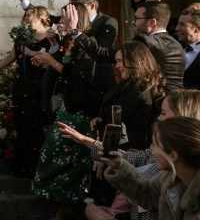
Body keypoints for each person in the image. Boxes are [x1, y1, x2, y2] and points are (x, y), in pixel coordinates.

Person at [59, 89, 200, 220]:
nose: (158, 118)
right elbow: (148, 193)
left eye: (163, 113)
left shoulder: (170, 161)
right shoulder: (169, 168)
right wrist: (116, 163)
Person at [31, 2, 100, 219]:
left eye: (64, 18)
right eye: (60, 18)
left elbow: (76, 77)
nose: (59, 22)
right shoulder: (67, 42)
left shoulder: (87, 44)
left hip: (81, 110)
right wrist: (52, 48)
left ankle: (67, 207)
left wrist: (51, 61)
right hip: (66, 106)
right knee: (50, 154)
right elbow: (64, 70)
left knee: (72, 159)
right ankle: (59, 205)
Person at [0, 5, 53, 178]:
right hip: (21, 84)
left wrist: (31, 52)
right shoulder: (23, 37)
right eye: (26, 15)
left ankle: (36, 168)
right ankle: (21, 166)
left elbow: (49, 58)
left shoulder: (51, 37)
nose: (26, 18)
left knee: (35, 125)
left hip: (40, 87)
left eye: (29, 15)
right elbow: (12, 56)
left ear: (39, 17)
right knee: (21, 124)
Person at [102, 116, 200, 220]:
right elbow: (149, 195)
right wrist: (120, 166)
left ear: (172, 155)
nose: (151, 148)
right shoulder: (168, 177)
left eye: (154, 144)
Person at [91, 41, 165, 151]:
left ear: (135, 60)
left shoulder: (138, 90)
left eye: (120, 61)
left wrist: (106, 153)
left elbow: (119, 122)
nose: (117, 66)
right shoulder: (132, 85)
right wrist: (101, 118)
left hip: (128, 152)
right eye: (116, 61)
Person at [132, 1, 185, 90]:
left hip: (156, 100)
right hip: (176, 99)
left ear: (152, 22)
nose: (133, 22)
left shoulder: (143, 41)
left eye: (136, 18)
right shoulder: (177, 44)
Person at [175, 5, 200, 89]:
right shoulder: (174, 44)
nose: (177, 28)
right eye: (178, 24)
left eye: (182, 25)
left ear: (197, 29)